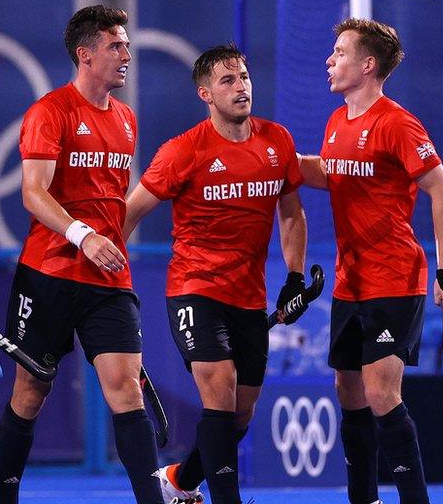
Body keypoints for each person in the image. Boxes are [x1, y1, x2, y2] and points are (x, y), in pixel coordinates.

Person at [0, 5, 163, 504]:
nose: (127, 54)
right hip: (48, 275)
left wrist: (109, 241)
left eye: (126, 44)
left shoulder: (126, 120)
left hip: (108, 283)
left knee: (125, 390)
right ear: (85, 55)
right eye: (116, 45)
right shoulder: (50, 111)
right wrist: (84, 234)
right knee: (30, 393)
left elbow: (112, 200)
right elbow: (33, 193)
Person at [123, 45, 309, 504]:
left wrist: (294, 277)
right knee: (220, 394)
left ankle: (180, 482)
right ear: (206, 93)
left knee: (239, 415)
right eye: (228, 81)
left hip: (249, 296)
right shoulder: (182, 151)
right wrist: (109, 273)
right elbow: (128, 213)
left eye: (244, 77)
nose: (241, 86)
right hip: (194, 288)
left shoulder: (277, 141)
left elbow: (291, 215)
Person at [297, 18, 443, 504]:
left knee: (380, 393)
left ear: (368, 65)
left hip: (395, 276)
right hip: (351, 282)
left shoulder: (397, 123)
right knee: (347, 391)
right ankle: (363, 498)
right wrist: (271, 157)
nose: (330, 59)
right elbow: (332, 173)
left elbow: (442, 192)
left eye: (340, 52)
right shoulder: (335, 122)